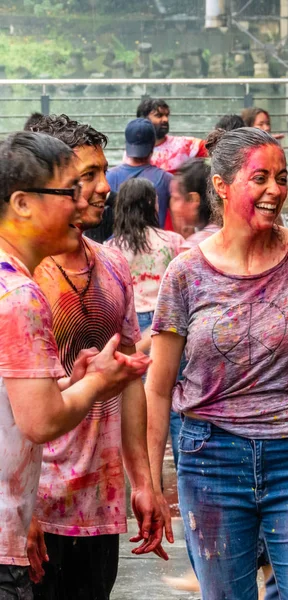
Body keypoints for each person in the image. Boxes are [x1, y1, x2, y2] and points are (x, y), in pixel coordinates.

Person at [146, 126, 288, 600]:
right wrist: (150, 484)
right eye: (260, 178)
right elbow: (158, 386)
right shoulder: (185, 273)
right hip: (212, 461)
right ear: (222, 186)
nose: (275, 191)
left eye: (282, 178)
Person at [0, 131, 149, 600]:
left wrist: (72, 380)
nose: (88, 196)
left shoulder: (109, 267)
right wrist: (98, 382)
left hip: (73, 512)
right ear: (22, 203)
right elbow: (40, 419)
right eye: (71, 189)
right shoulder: (20, 293)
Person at [105, 178, 184, 355]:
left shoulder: (110, 248)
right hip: (167, 320)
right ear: (151, 204)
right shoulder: (173, 241)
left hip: (130, 323)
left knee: (137, 377)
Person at [106, 118, 173, 229]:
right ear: (153, 145)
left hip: (114, 245)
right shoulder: (167, 180)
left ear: (127, 144)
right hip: (154, 244)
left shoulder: (107, 177)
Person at [136, 97, 208, 173]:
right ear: (143, 120)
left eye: (166, 115)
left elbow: (215, 151)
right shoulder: (133, 150)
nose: (165, 119)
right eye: (159, 115)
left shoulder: (184, 145)